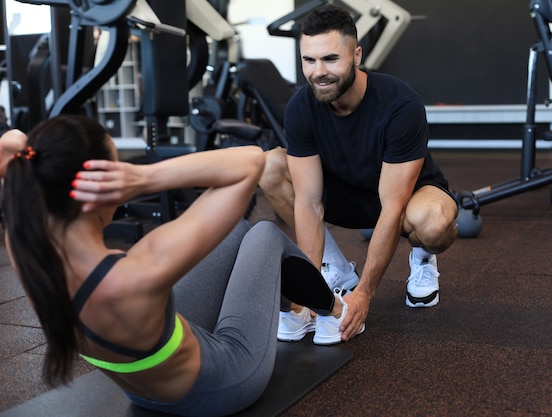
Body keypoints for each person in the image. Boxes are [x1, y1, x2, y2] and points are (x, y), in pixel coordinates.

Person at [0, 114, 354, 417]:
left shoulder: (24, 247)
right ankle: (337, 311)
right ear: (99, 188)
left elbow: (12, 143)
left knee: (235, 229)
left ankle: (292, 312)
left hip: (143, 386)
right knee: (264, 233)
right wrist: (142, 178)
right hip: (224, 384)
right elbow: (250, 161)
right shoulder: (138, 271)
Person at [259, 4, 458, 343]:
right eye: (309, 60)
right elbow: (308, 202)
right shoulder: (301, 107)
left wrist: (365, 293)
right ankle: (332, 269)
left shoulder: (400, 104)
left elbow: (392, 206)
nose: (319, 72)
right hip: (343, 192)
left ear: (357, 56)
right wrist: (311, 292)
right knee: (270, 165)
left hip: (404, 197)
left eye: (331, 59)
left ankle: (423, 258)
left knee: (435, 222)